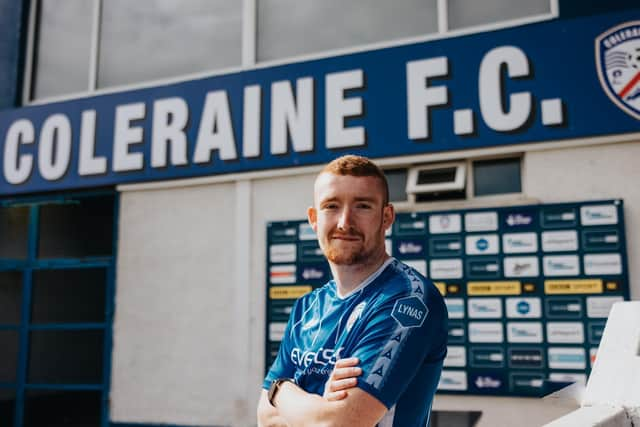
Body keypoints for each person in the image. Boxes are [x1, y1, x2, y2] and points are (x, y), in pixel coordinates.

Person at [257, 155, 448, 427]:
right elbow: (264, 418)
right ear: (314, 218)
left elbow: (341, 423)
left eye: (362, 206)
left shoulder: (408, 299)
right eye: (331, 206)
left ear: (387, 217)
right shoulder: (307, 307)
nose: (345, 221)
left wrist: (281, 390)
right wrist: (320, 404)